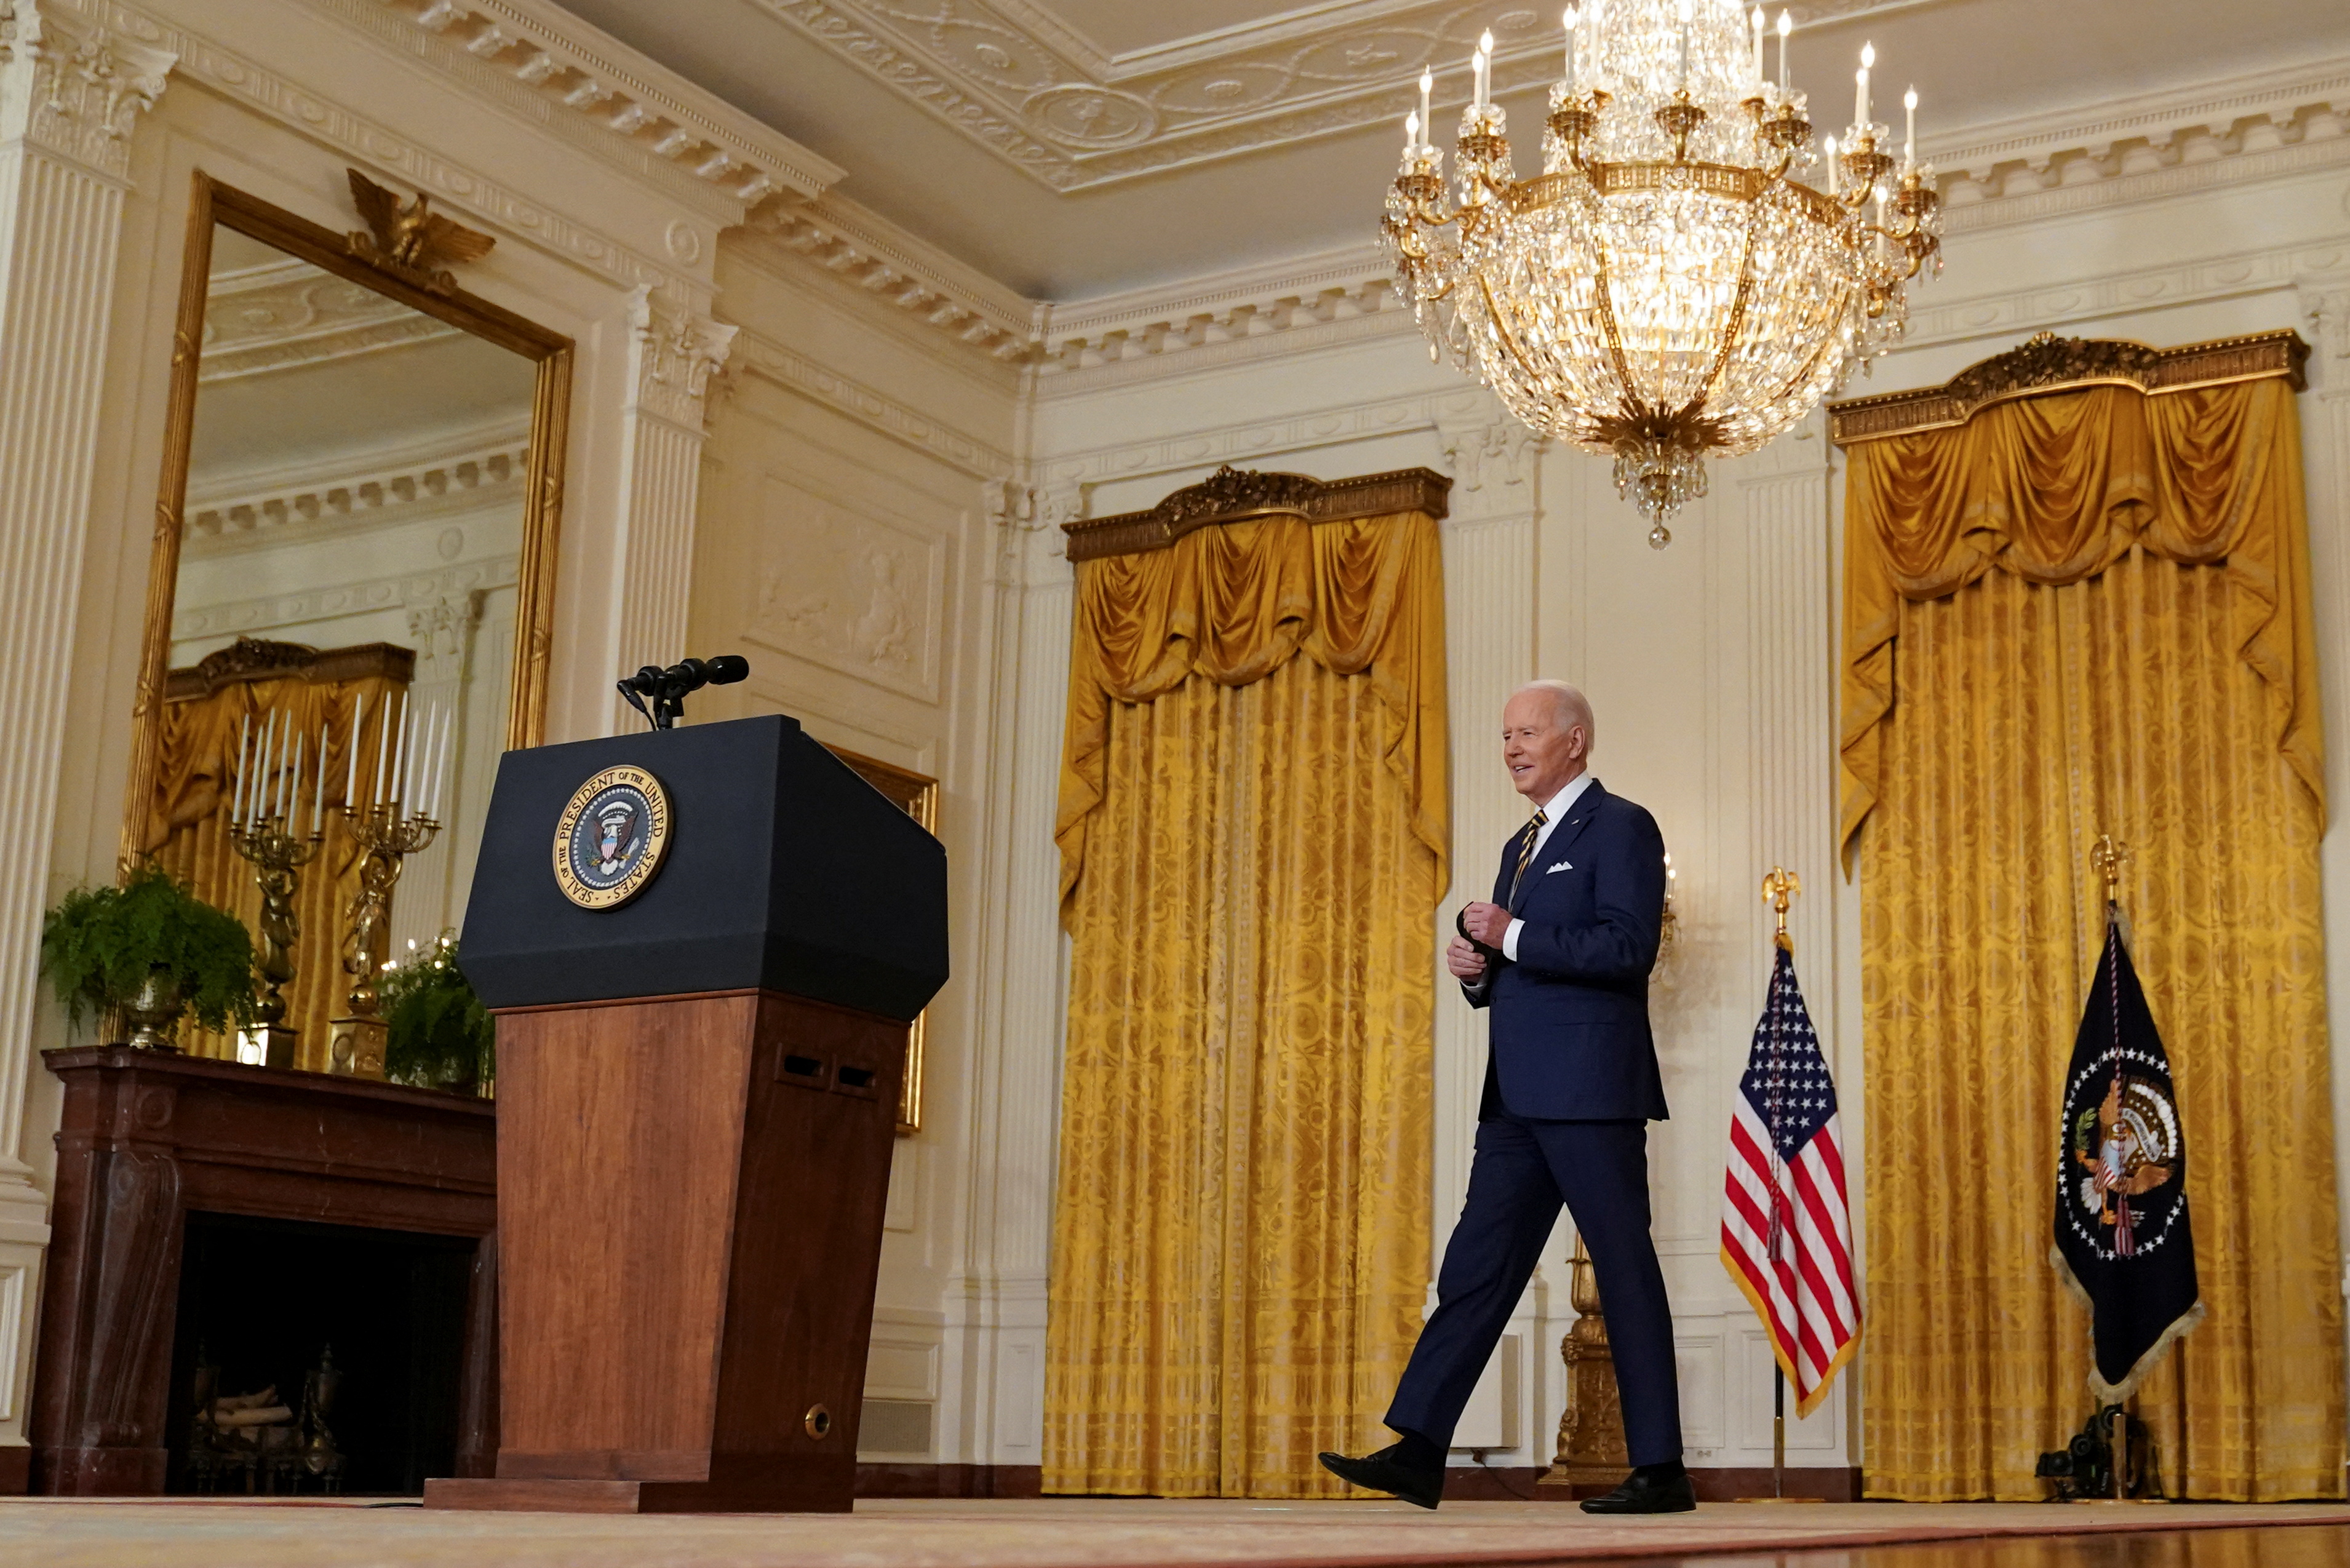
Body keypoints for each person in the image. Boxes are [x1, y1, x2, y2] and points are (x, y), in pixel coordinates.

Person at [1319, 680, 1691, 1514]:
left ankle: (1661, 1467)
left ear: (1576, 741)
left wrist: (1510, 935)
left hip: (1591, 1089)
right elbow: (1517, 961)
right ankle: (1418, 1447)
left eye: (1527, 732)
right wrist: (1479, 973)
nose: (1512, 747)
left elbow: (1628, 947)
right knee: (1475, 1270)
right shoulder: (1519, 846)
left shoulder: (1622, 825)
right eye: (1504, 735)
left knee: (1624, 1270)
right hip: (1517, 1098)